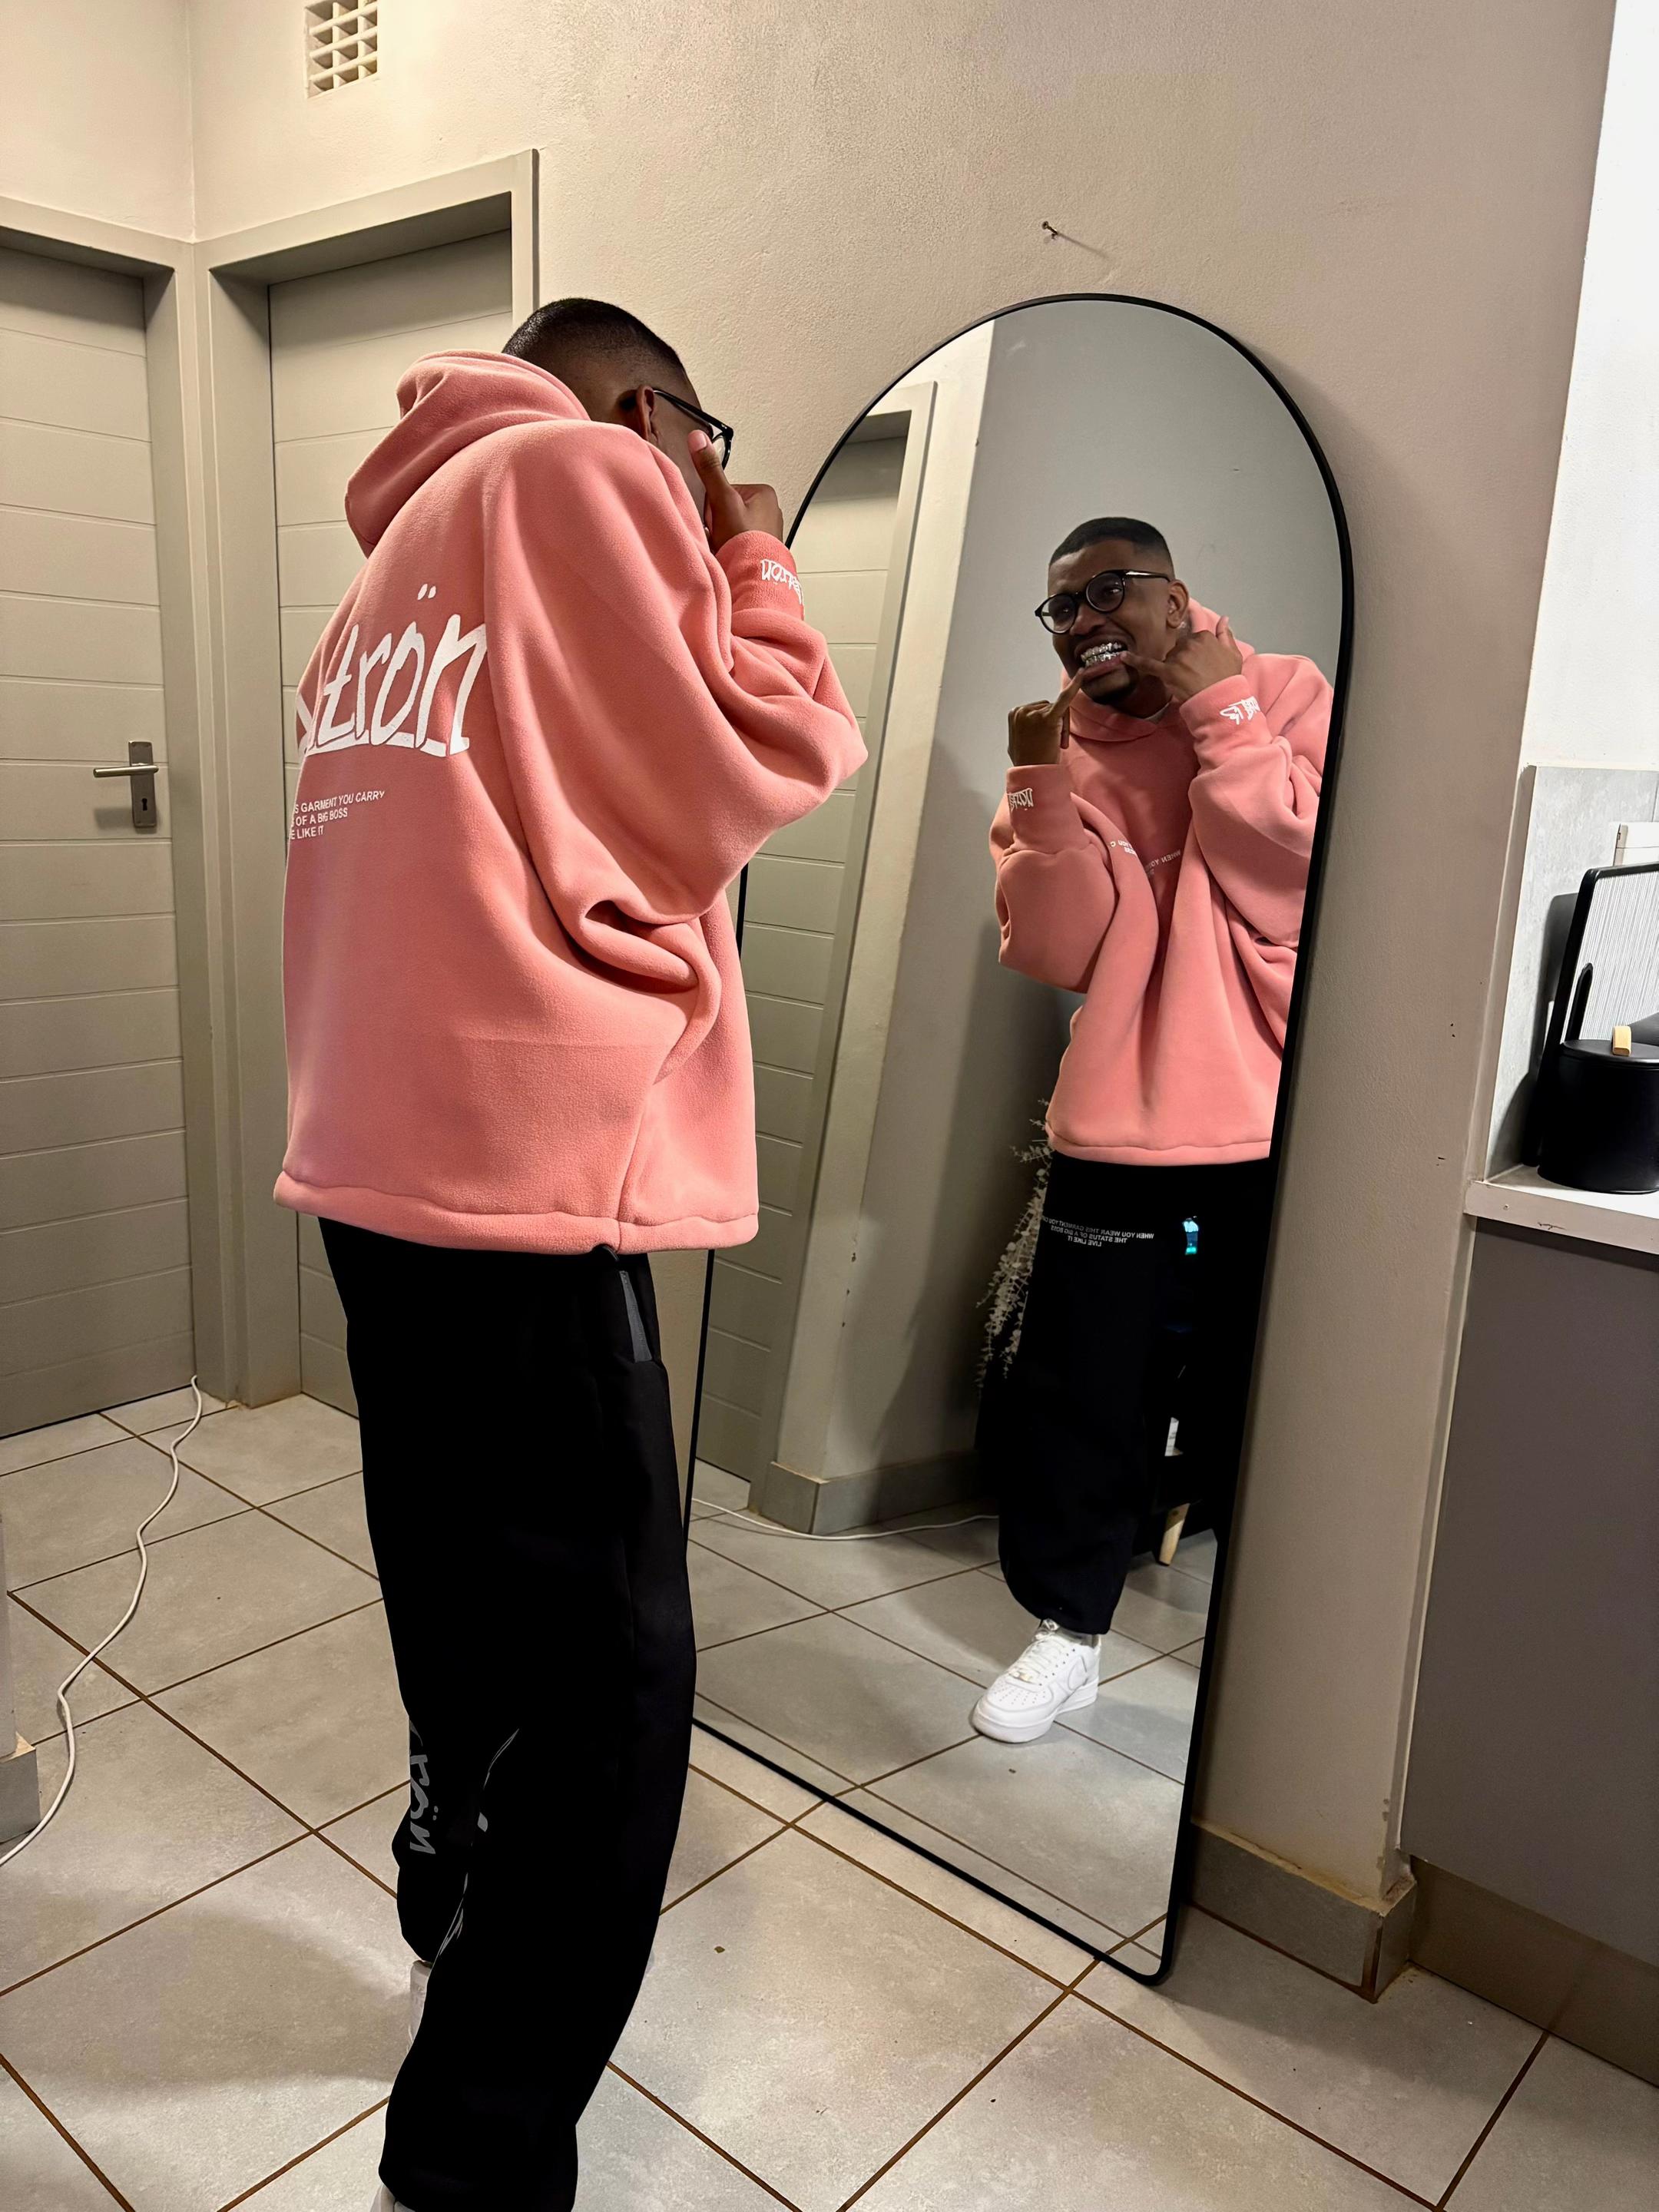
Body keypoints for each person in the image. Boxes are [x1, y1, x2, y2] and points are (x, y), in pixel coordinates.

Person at [274, 298, 864, 2212]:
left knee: (456, 1589)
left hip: (380, 1168)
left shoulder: (389, 565)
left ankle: (443, 1876)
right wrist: (753, 556)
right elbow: (757, 755)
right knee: (612, 1699)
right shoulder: (584, 473)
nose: (703, 474)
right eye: (705, 439)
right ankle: (475, 2161)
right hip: (522, 1181)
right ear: (649, 410)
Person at [972, 518, 1330, 1743]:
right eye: (1062, 607)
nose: (1083, 623)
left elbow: (1302, 881)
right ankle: (1066, 1634)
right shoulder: (1061, 749)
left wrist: (1221, 712)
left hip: (1282, 1123)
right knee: (1081, 1394)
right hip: (1119, 1129)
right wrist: (1037, 785)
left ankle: (1283, 1661)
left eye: (1107, 592)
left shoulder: (1283, 692)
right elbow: (1058, 946)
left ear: (1175, 596)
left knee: (1268, 1391)